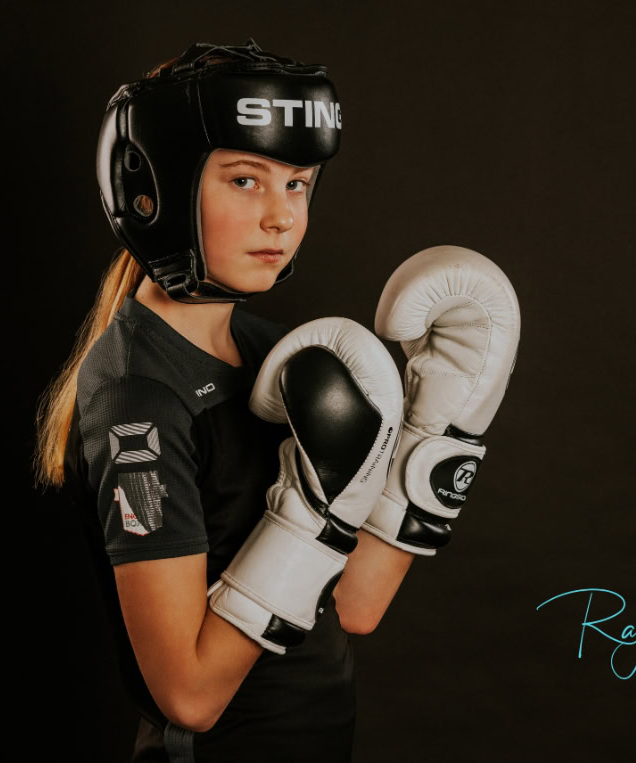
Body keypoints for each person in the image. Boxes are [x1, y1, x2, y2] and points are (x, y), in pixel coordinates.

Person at [34, 41, 414, 762]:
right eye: (246, 180)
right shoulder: (136, 398)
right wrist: (304, 519)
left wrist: (441, 429)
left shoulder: (284, 354)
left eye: (298, 184)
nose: (281, 215)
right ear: (158, 189)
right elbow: (188, 693)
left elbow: (356, 603)